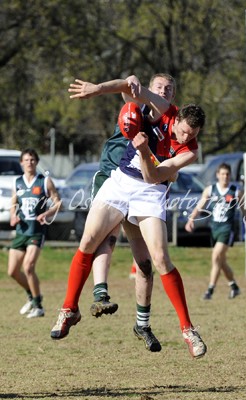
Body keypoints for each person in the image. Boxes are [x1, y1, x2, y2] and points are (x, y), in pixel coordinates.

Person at [50, 77, 207, 359]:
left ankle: (187, 329)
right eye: (183, 131)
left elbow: (155, 176)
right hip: (121, 182)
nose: (184, 137)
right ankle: (69, 309)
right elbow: (131, 87)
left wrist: (145, 149)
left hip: (151, 191)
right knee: (88, 241)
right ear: (178, 118)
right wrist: (97, 89)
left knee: (159, 259)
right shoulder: (166, 110)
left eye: (191, 134)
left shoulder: (191, 151)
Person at [89, 73, 176, 353]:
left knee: (146, 263)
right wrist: (106, 85)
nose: (164, 92)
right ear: (148, 90)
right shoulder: (134, 106)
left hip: (142, 190)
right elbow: (126, 88)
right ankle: (97, 294)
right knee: (106, 238)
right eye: (159, 87)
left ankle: (143, 324)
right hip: (113, 178)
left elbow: (172, 162)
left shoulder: (172, 123)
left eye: (169, 89)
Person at [185, 162, 246, 300]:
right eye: (222, 174)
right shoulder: (210, 190)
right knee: (220, 261)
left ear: (230, 176)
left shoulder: (236, 191)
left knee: (216, 256)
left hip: (227, 229)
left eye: (227, 174)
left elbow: (244, 211)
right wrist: (191, 219)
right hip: (214, 229)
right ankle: (234, 287)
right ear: (218, 175)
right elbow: (200, 206)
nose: (225, 177)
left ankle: (210, 290)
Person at [8, 148, 62, 318]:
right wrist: (12, 216)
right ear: (21, 163)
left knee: (28, 267)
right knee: (12, 272)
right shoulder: (17, 182)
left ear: (36, 162)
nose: (29, 163)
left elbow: (58, 203)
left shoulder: (44, 182)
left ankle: (38, 306)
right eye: (26, 160)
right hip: (21, 231)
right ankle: (32, 297)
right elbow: (13, 204)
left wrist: (46, 214)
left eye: (32, 160)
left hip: (36, 232)